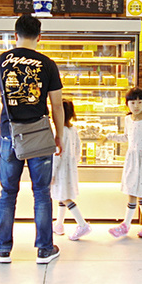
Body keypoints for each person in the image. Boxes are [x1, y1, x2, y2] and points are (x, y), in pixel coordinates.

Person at [0, 13, 65, 264]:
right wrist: (59, 135)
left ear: (15, 35)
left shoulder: (0, 61)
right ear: (39, 37)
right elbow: (57, 105)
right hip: (39, 135)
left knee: (8, 192)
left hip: (11, 133)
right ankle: (44, 249)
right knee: (41, 192)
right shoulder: (47, 64)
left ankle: (3, 249)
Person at [104, 87, 142, 239]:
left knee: (136, 193)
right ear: (127, 104)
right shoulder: (128, 119)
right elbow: (126, 137)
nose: (136, 106)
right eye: (133, 102)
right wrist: (109, 137)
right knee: (135, 192)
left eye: (140, 102)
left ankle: (127, 225)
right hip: (131, 161)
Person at [51, 98, 91, 241]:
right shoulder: (73, 129)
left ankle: (82, 224)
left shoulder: (57, 132)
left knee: (64, 197)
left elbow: (56, 155)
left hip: (60, 169)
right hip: (70, 168)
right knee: (62, 195)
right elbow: (78, 149)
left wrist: (51, 174)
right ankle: (59, 224)